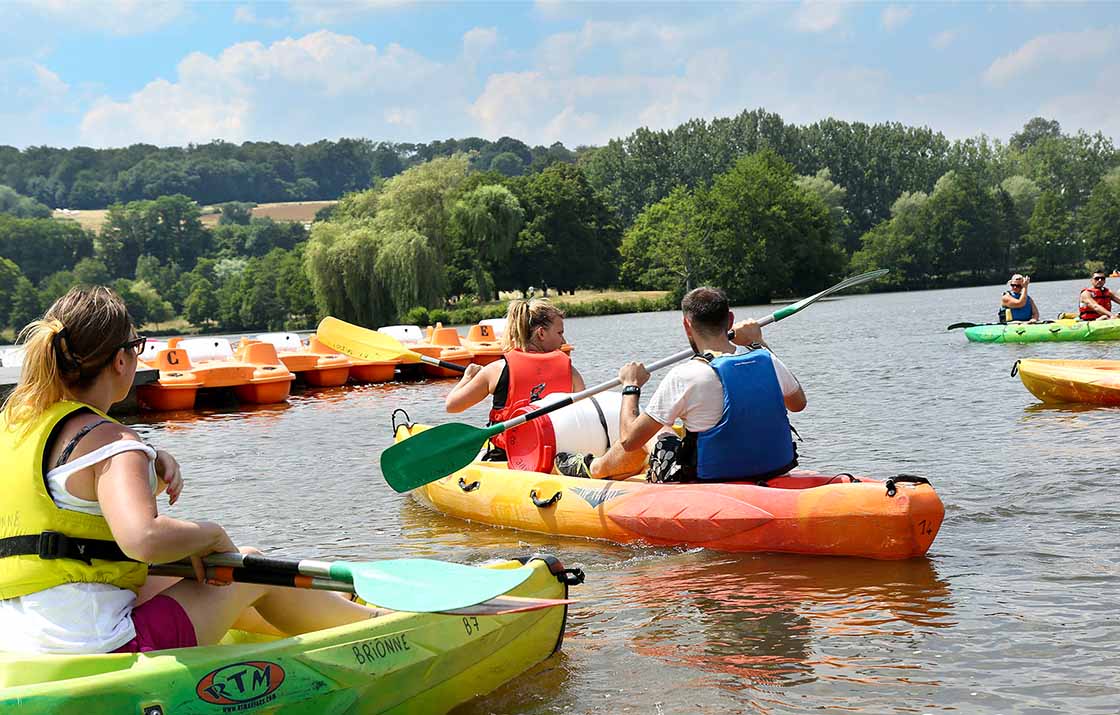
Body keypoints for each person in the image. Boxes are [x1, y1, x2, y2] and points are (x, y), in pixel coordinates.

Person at [0, 286, 382, 655]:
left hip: (17, 643)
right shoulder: (115, 445)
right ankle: (381, 628)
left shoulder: (14, 430)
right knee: (248, 566)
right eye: (137, 347)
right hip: (97, 646)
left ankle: (317, 622)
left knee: (197, 575)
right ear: (120, 360)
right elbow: (144, 538)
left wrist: (148, 455)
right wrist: (211, 536)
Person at [555, 286, 806, 482]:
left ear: (687, 325)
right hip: (773, 467)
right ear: (730, 320)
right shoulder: (767, 360)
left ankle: (596, 468)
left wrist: (630, 387)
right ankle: (602, 468)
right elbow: (798, 404)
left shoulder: (685, 375)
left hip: (713, 476)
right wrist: (758, 343)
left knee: (661, 428)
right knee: (665, 424)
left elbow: (630, 440)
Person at [445, 298, 585, 423]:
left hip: (509, 451)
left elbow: (452, 406)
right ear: (541, 333)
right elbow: (585, 413)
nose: (564, 340)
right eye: (560, 333)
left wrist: (468, 377)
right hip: (558, 449)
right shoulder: (570, 371)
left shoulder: (496, 371)